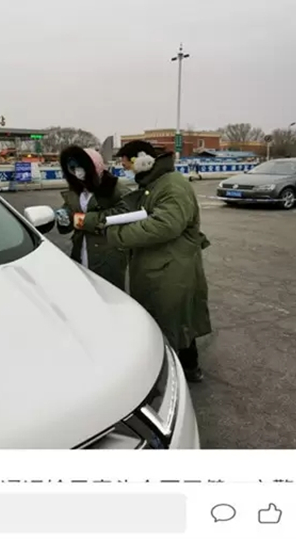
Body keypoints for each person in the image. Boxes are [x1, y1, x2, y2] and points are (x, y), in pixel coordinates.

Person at [82, 140, 212, 382]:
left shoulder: (172, 185)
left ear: (142, 160)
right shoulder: (154, 183)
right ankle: (188, 367)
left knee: (170, 321)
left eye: (126, 164)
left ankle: (175, 376)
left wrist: (116, 234)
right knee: (174, 320)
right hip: (159, 266)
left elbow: (165, 225)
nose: (126, 170)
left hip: (171, 269)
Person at [56, 146, 130, 290]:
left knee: (107, 291)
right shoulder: (77, 189)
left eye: (80, 167)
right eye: (73, 168)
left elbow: (126, 211)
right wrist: (64, 216)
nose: (76, 172)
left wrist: (85, 220)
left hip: (107, 253)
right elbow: (71, 209)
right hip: (80, 249)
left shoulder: (114, 188)